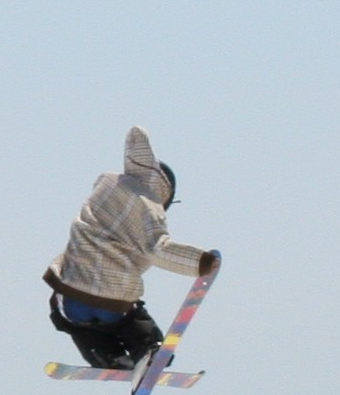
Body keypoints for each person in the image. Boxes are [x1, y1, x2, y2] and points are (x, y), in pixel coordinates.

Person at [44, 126, 218, 371]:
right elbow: (159, 250)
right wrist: (202, 263)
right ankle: (148, 347)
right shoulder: (150, 209)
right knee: (132, 315)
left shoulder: (105, 186)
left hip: (72, 298)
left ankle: (105, 355)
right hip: (115, 301)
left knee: (73, 322)